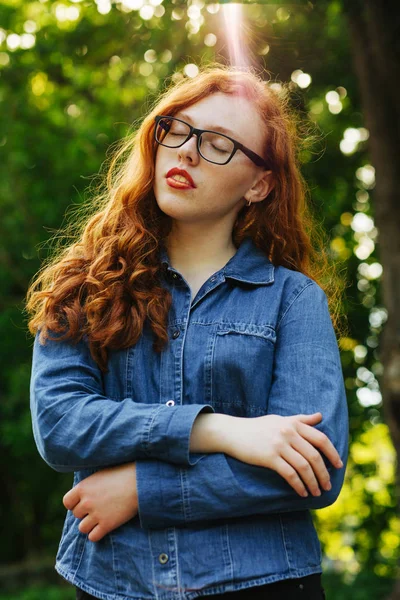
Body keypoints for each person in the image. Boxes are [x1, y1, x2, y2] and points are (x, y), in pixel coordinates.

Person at [27, 64, 349, 600]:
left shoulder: (294, 300)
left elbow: (316, 470)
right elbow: (60, 423)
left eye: (219, 142)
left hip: (263, 583)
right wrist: (219, 430)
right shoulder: (85, 283)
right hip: (114, 583)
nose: (187, 151)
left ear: (260, 184)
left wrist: (140, 488)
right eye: (177, 129)